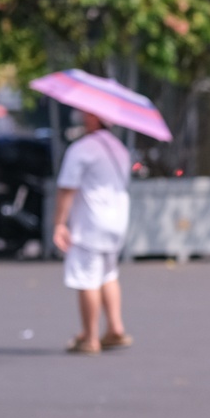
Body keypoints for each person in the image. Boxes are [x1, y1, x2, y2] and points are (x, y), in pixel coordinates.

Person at [52, 112, 134, 354]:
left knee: (87, 277)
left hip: (90, 222)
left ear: (94, 118)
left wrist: (59, 223)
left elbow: (67, 188)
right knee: (108, 273)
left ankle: (90, 337)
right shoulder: (120, 148)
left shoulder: (82, 149)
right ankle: (115, 327)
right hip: (117, 219)